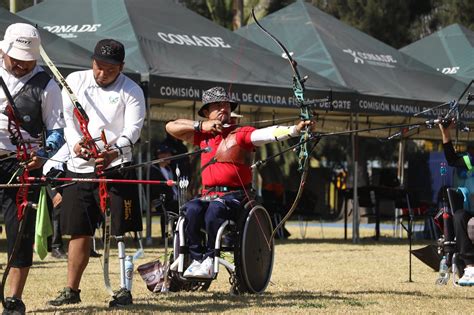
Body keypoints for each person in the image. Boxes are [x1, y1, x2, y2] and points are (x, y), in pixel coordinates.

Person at [165, 86, 313, 278]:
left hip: (235, 197)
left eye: (226, 105)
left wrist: (294, 129)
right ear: (206, 113)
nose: (223, 108)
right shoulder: (203, 137)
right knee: (191, 209)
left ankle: (210, 259)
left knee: (214, 210)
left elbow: (267, 134)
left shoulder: (242, 133)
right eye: (217, 105)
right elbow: (170, 126)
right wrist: (200, 126)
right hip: (208, 195)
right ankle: (197, 259)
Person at [48, 39, 145, 307]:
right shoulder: (75, 81)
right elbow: (67, 120)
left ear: (121, 67)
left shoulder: (132, 90)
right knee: (79, 231)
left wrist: (114, 151)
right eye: (98, 66)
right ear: (92, 60)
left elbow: (133, 130)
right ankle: (71, 290)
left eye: (110, 69)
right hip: (80, 168)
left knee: (121, 231)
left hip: (116, 167)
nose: (102, 73)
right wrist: (76, 144)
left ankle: (124, 290)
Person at [0, 23, 65, 315]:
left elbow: (57, 130)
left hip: (23, 163)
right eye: (16, 60)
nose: (22, 65)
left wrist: (42, 153)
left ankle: (14, 298)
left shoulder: (47, 85)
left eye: (28, 60)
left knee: (20, 232)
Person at [439, 120, 474, 286]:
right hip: (471, 210)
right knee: (459, 216)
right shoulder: (470, 162)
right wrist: (445, 132)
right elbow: (452, 159)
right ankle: (470, 268)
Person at [150, 143, 179, 240]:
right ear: (160, 155)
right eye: (168, 154)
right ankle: (165, 236)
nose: (170, 156)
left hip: (172, 199)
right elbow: (154, 190)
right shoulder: (153, 170)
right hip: (161, 200)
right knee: (170, 209)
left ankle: (177, 234)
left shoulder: (169, 169)